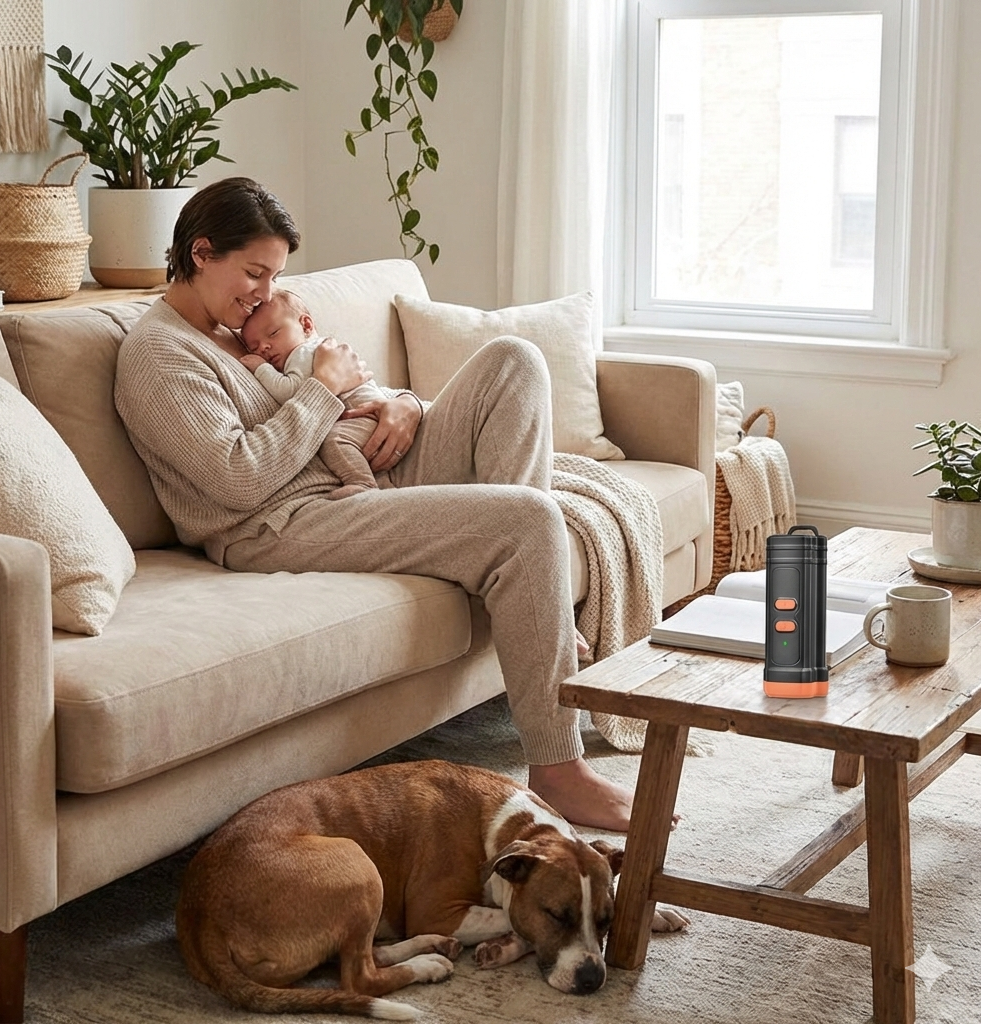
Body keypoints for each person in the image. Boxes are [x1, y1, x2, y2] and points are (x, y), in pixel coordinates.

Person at [113, 176, 635, 831]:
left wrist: (403, 404)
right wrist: (322, 391)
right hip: (280, 522)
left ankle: (525, 599)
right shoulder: (157, 355)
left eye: (274, 277)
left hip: (360, 471)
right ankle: (558, 768)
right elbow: (237, 480)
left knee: (514, 361)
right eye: (253, 272)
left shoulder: (240, 328)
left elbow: (339, 394)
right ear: (200, 253)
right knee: (529, 520)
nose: (265, 293)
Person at [241, 289, 385, 500]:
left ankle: (362, 483)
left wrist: (261, 368)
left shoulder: (302, 353)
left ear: (306, 325)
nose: (264, 347)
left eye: (273, 333)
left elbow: (290, 392)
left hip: (362, 415)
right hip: (371, 414)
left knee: (334, 440)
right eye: (254, 347)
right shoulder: (320, 348)